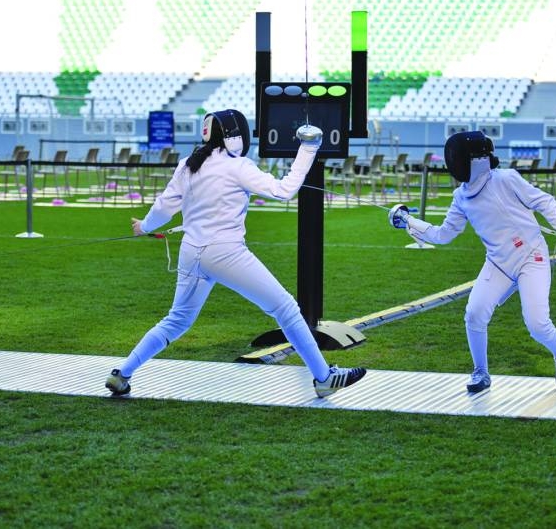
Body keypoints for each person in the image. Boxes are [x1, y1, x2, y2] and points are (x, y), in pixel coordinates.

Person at [106, 109, 367, 399]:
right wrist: (308, 148)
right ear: (235, 137)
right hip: (225, 253)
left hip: (191, 253)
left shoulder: (187, 165)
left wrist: (144, 226)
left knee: (176, 320)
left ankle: (122, 374)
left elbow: (163, 209)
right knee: (286, 308)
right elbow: (283, 191)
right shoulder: (237, 166)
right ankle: (324, 378)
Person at [390, 131, 556, 393]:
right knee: (474, 314)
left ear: (475, 159)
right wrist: (408, 220)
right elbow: (442, 235)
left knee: (537, 325)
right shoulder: (461, 196)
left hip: (532, 259)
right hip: (499, 263)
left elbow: (544, 201)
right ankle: (481, 372)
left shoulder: (506, 179)